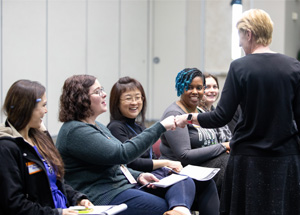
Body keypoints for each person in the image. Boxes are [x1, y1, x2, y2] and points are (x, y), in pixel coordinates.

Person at [175, 9, 300, 215]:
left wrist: (188, 117)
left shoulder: (240, 67)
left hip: (248, 160)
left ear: (249, 34)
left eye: (240, 37)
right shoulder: (294, 67)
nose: (240, 44)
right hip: (285, 159)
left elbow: (220, 116)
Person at [55, 74, 195, 215]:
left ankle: (179, 210)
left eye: (102, 89)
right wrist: (160, 127)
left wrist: (139, 175)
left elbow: (117, 166)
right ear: (81, 99)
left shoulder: (97, 125)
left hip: (124, 185)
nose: (104, 95)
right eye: (97, 92)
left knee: (184, 180)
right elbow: (122, 154)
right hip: (103, 195)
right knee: (162, 206)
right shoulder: (75, 130)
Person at [107, 76, 220, 214]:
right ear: (116, 102)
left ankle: (180, 209)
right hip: (137, 181)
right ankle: (180, 210)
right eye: (128, 98)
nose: (135, 102)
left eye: (138, 97)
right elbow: (130, 162)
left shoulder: (140, 127)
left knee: (205, 183)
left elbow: (151, 156)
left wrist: (167, 166)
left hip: (154, 176)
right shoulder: (115, 127)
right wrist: (167, 163)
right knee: (183, 180)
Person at [0, 80, 93, 215]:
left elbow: (56, 181)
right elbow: (13, 203)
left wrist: (76, 198)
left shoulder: (40, 137)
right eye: (43, 105)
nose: (46, 110)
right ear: (27, 108)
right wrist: (56, 213)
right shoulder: (6, 147)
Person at [159, 68, 230, 195]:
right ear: (180, 87)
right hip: (181, 169)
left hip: (205, 166)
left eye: (199, 88)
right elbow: (184, 156)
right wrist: (222, 147)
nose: (195, 92)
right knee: (227, 164)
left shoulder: (201, 112)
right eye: (189, 87)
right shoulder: (174, 113)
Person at [198, 73, 232, 143]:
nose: (212, 90)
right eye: (207, 87)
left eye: (215, 87)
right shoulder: (196, 114)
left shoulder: (219, 113)